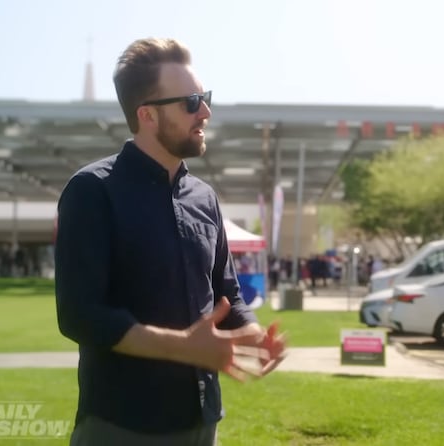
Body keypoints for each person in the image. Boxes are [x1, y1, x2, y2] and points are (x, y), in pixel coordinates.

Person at [54, 37, 286, 446]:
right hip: (121, 425)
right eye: (192, 101)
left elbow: (225, 290)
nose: (206, 112)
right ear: (147, 115)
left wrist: (251, 334)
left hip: (203, 420)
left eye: (205, 97)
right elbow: (79, 315)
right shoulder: (92, 190)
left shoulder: (205, 197)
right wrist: (184, 347)